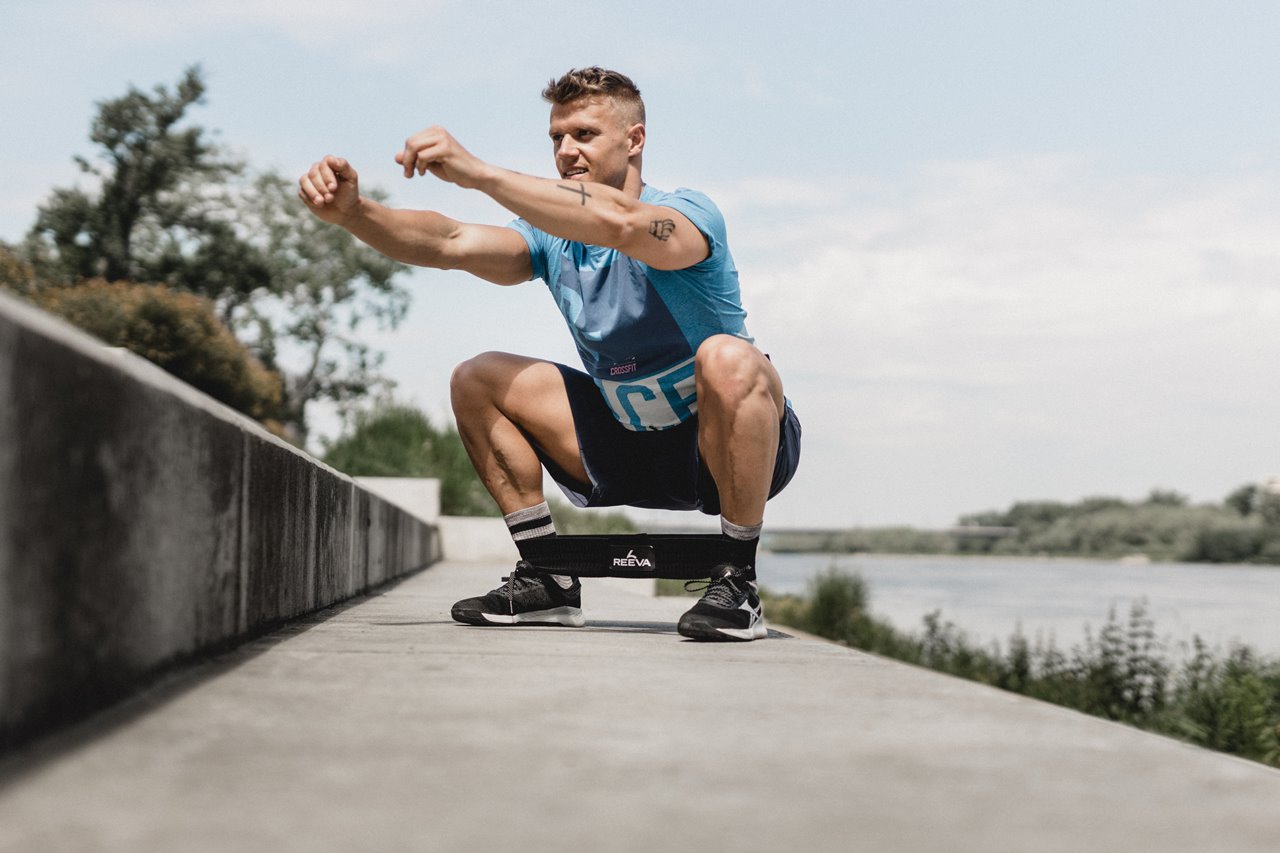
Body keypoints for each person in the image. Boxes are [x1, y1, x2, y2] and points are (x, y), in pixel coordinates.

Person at [299, 67, 800, 641]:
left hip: (727, 453)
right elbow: (450, 241)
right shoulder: (551, 239)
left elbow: (619, 222)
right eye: (557, 138)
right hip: (627, 446)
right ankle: (547, 577)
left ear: (634, 140)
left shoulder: (685, 215)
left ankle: (738, 581)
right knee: (479, 377)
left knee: (727, 357)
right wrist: (356, 215)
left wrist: (481, 173)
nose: (566, 151)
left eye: (584, 134)